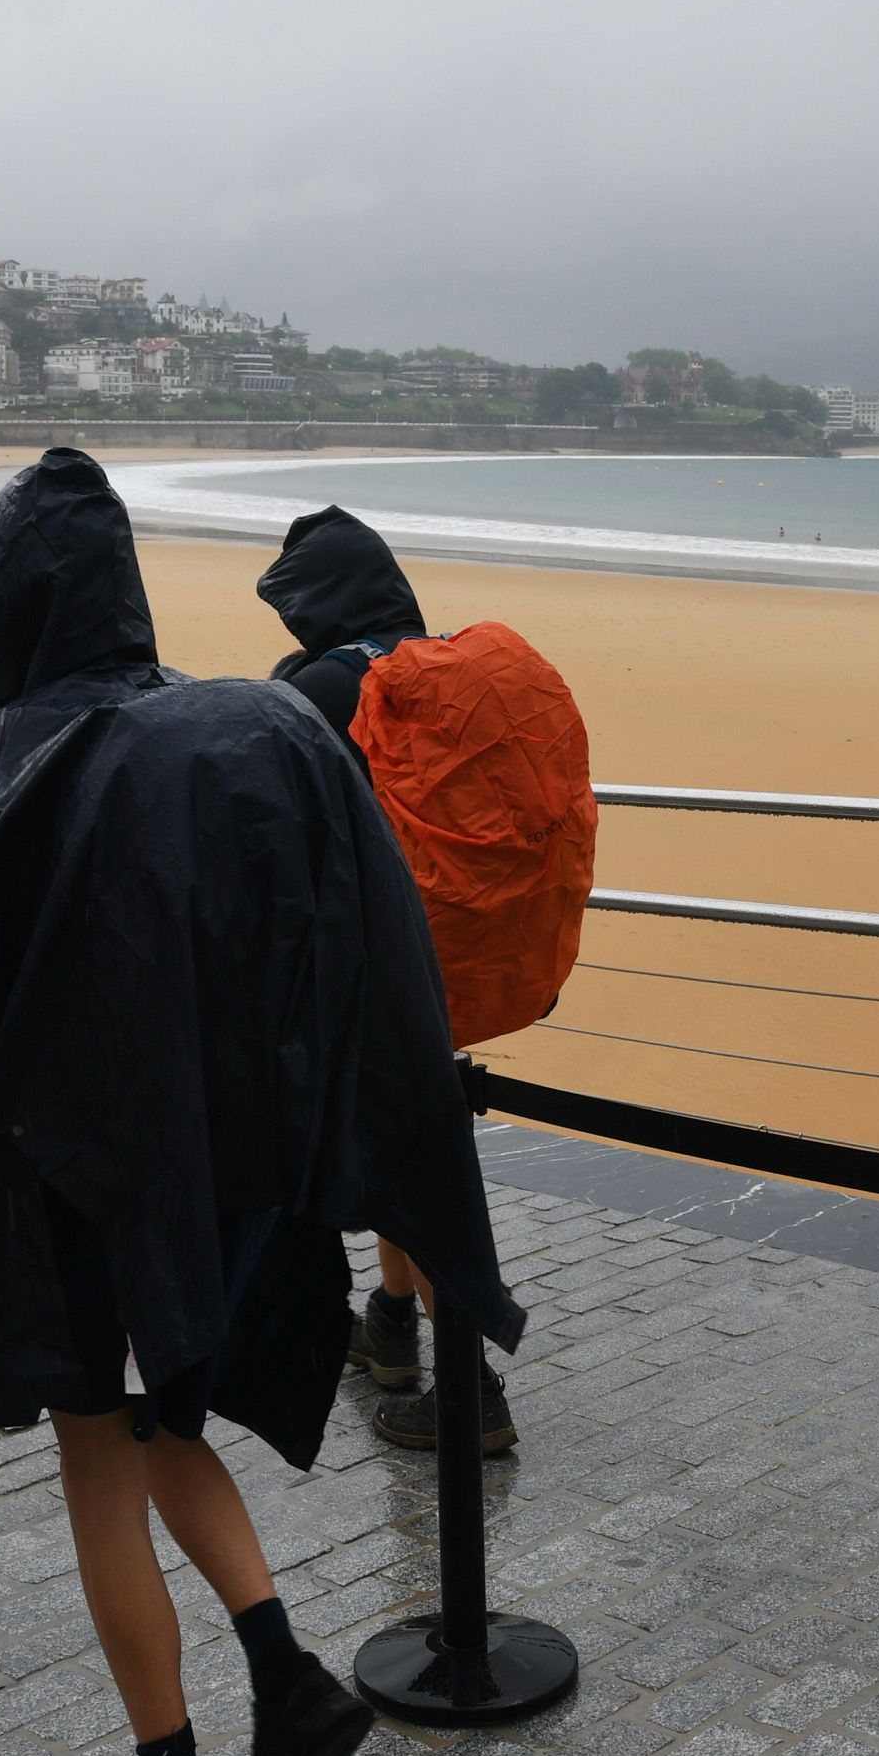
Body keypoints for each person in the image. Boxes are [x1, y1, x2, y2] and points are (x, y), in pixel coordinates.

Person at [0, 452, 519, 1756]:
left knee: (99, 1456)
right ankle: (281, 1673)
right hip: (232, 1176)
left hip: (72, 1189)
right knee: (171, 1425)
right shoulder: (252, 727)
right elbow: (363, 944)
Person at [255, 506, 597, 1460]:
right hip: (451, 953)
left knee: (412, 1157)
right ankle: (395, 1324)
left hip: (372, 966)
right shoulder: (439, 667)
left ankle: (472, 1392)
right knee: (399, 1138)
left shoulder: (326, 685)